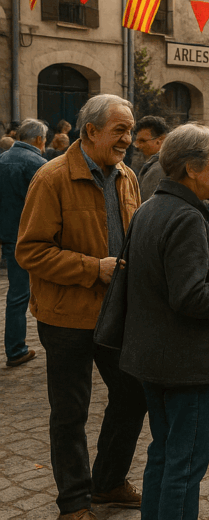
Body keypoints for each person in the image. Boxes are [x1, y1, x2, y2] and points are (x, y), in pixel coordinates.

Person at [17, 94, 148, 518]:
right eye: (120, 130)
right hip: (66, 317)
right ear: (91, 131)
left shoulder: (127, 176)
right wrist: (95, 268)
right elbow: (30, 251)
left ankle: (107, 483)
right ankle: (73, 501)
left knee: (132, 395)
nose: (128, 139)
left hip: (116, 314)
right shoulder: (51, 178)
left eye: (129, 130)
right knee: (70, 412)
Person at [120, 124, 209, 520]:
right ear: (192, 168)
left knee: (164, 452)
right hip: (184, 363)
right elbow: (190, 296)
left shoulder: (151, 207)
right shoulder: (186, 217)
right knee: (185, 463)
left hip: (152, 357)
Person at [0, 119, 49, 367]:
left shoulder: (2, 160)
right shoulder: (40, 165)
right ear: (40, 140)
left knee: (17, 293)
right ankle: (17, 349)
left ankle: (16, 347)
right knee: (42, 291)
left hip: (10, 235)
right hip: (35, 237)